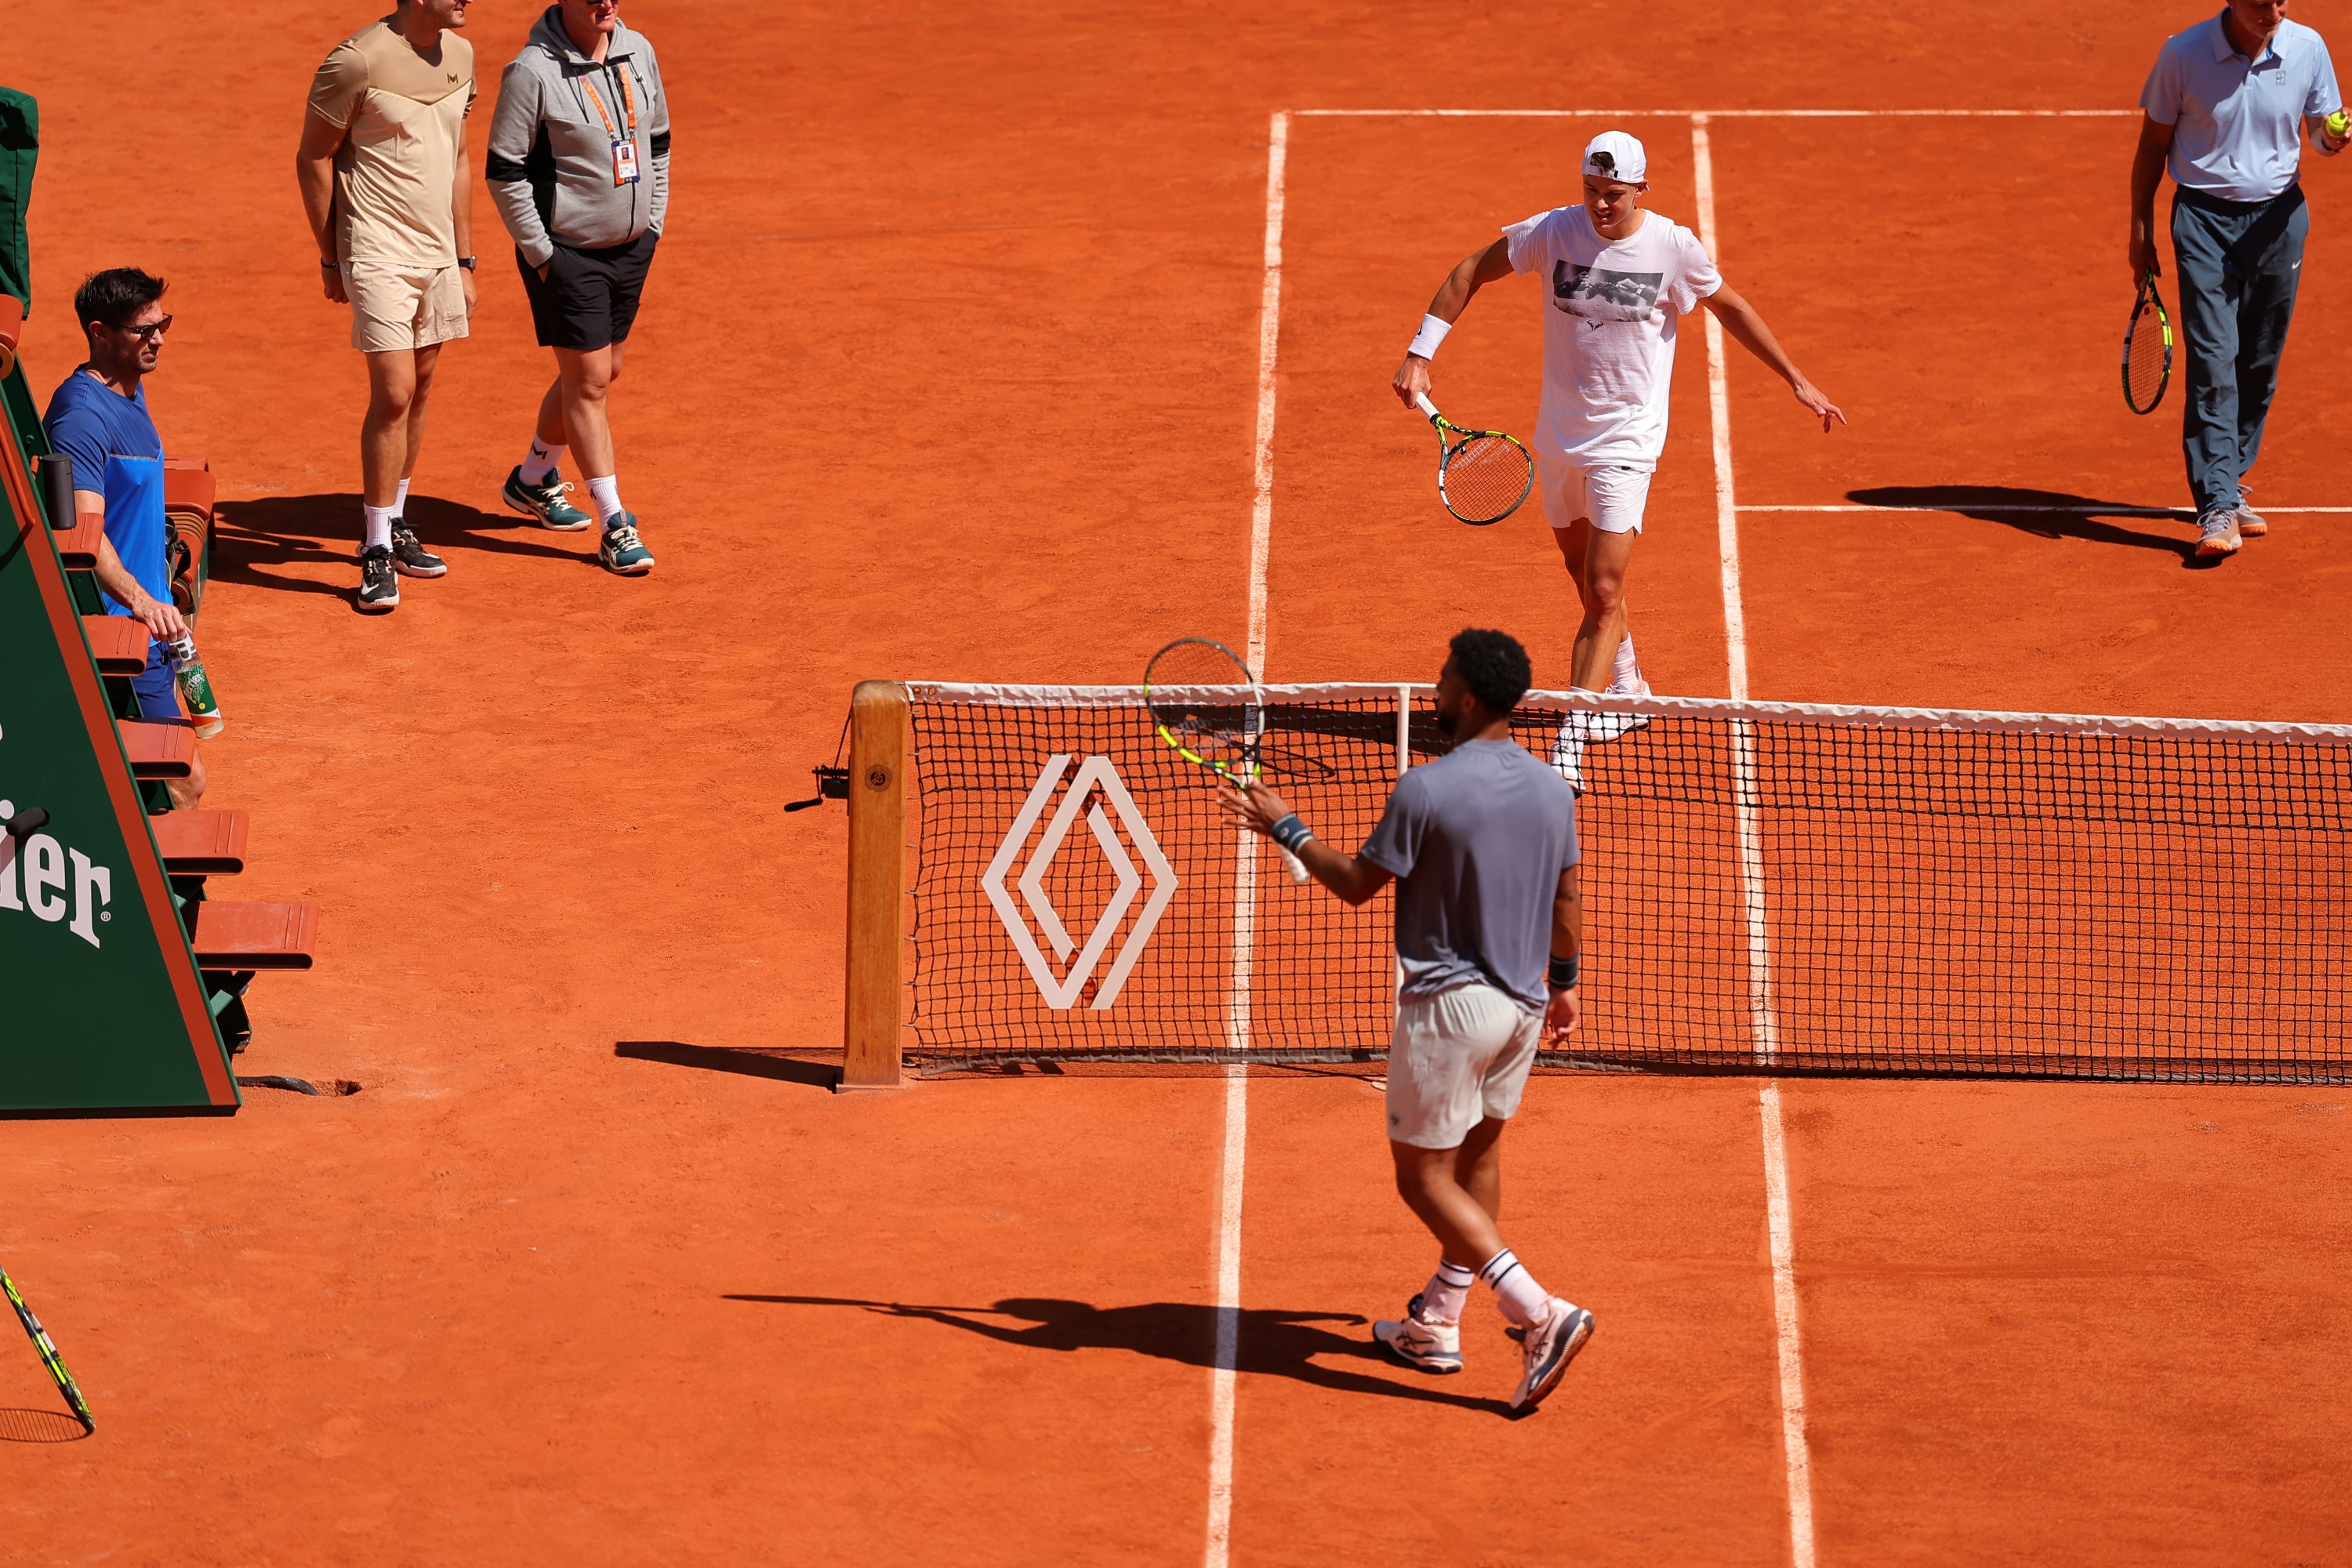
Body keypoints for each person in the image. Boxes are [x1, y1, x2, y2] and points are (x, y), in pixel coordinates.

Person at [1218, 629, 1592, 1414]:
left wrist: (1285, 826)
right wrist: (1564, 985)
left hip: (1453, 1010)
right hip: (1524, 1007)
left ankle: (1539, 1311)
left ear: (1470, 697)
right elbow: (1565, 902)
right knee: (1479, 1153)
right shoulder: (1555, 790)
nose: (1436, 688)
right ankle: (1438, 1322)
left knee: (1422, 1178)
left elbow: (1359, 884)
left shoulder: (1425, 789)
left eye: (1444, 678)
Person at [1393, 132, 1842, 715]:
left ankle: (1573, 738)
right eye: (1591, 190)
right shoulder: (1554, 231)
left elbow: (1730, 306)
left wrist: (1795, 378)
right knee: (1582, 576)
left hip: (1628, 437)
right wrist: (1420, 354)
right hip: (1560, 435)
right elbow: (1468, 272)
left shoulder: (1672, 247)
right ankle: (1629, 687)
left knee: (1604, 589)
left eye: (1614, 193)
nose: (1600, 204)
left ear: (1641, 188)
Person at [2131, 0, 2346, 559]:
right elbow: (2153, 143)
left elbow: (2318, 134)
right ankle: (2218, 502)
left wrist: (2331, 139)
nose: (2273, 9)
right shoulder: (2183, 54)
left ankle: (2231, 476)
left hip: (2280, 221)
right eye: (2260, 1)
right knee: (2213, 359)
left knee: (2259, 361)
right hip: (2203, 222)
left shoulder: (2308, 48)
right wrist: (2140, 228)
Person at [296, 0, 478, 613]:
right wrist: (331, 257)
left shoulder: (462, 55)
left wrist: (464, 259)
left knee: (420, 388)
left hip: (438, 252)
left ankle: (394, 520)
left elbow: (458, 157)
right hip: (375, 250)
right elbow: (313, 157)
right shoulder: (356, 62)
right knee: (395, 392)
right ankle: (375, 547)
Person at [484, 0, 670, 575]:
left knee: (603, 369)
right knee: (588, 382)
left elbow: (658, 141)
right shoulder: (532, 71)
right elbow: (504, 171)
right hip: (568, 254)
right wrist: (543, 255)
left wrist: (653, 222)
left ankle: (534, 478)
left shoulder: (639, 50)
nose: (605, 2)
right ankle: (616, 524)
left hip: (631, 247)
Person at [42, 269, 203, 809]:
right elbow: (81, 534)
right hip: (122, 634)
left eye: (163, 325)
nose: (158, 340)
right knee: (181, 782)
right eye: (143, 330)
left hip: (154, 623)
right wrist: (143, 600)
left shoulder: (127, 388)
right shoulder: (81, 419)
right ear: (100, 333)